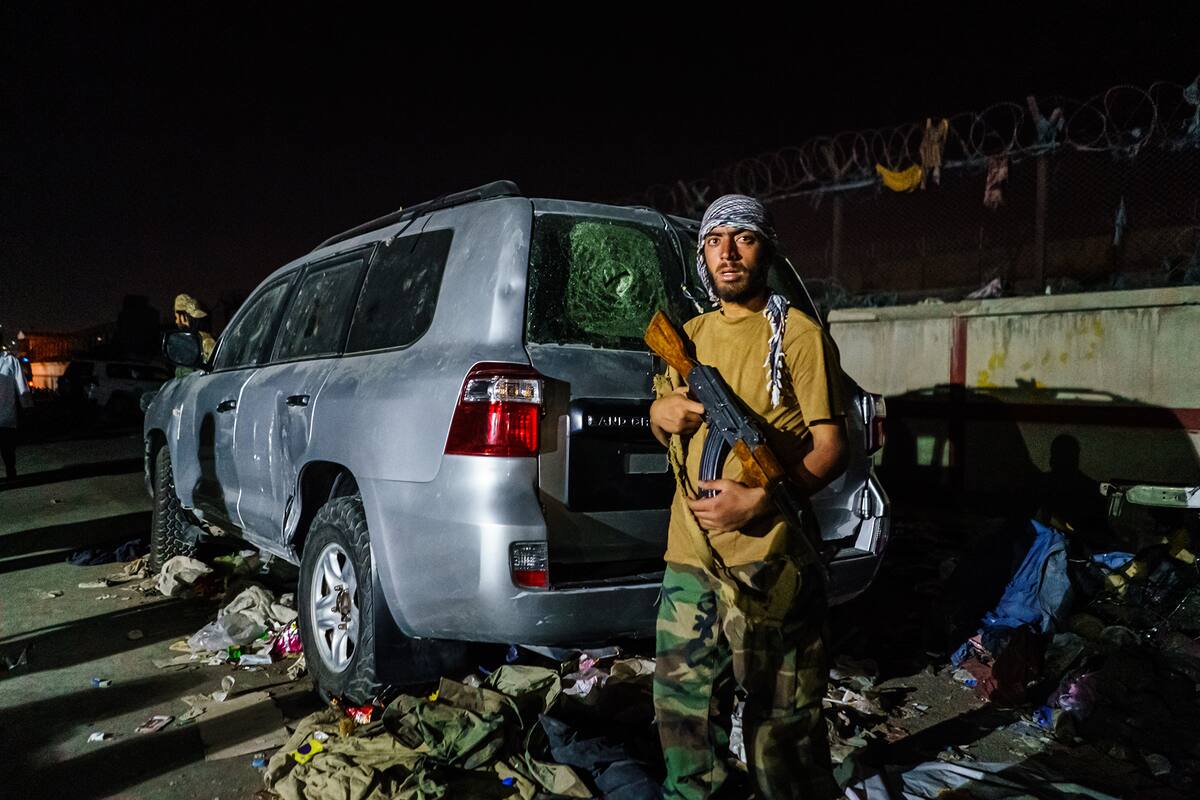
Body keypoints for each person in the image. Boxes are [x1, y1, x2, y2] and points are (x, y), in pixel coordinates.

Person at [648, 194, 848, 800]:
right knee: (682, 714)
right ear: (703, 255)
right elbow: (661, 421)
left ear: (767, 249)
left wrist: (758, 501)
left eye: (743, 239)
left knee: (781, 724)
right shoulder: (689, 336)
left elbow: (832, 447)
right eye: (714, 241)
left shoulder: (799, 336)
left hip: (770, 562)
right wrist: (663, 411)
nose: (727, 253)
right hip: (690, 558)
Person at [1, 348, 33, 481]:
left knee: (8, 451)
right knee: (8, 449)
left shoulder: (10, 361)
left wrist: (27, 406)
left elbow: (22, 385)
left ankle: (11, 474)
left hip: (6, 416)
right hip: (7, 415)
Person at [173, 293, 216, 376]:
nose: (177, 321)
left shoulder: (206, 342)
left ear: (186, 317)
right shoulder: (184, 340)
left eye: (177, 317)